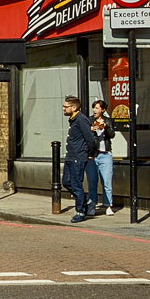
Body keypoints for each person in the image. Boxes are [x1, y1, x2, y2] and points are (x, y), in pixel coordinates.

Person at [62, 94, 93, 223]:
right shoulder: (73, 119)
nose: (63, 109)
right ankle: (86, 201)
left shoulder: (81, 119)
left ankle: (80, 211)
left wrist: (89, 153)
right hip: (70, 156)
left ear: (74, 107)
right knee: (66, 182)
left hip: (78, 157)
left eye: (65, 107)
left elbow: (90, 139)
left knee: (76, 184)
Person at [89, 100, 115, 215]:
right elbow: (84, 135)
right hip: (93, 155)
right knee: (92, 181)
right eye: (94, 108)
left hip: (105, 154)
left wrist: (106, 128)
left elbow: (112, 135)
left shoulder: (108, 121)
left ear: (103, 110)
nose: (94, 110)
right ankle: (92, 205)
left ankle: (108, 205)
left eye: (97, 108)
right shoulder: (89, 121)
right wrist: (91, 130)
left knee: (107, 181)